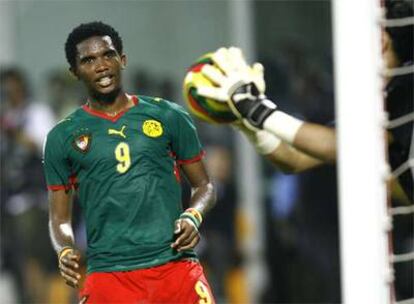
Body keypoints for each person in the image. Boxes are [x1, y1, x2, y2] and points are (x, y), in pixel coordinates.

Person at [43, 21, 216, 303]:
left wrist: (193, 215)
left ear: (122, 60)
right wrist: (64, 248)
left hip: (175, 268)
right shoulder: (62, 137)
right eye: (88, 60)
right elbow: (59, 218)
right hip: (110, 277)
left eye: (108, 55)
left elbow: (205, 186)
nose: (101, 65)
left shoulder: (169, 116)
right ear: (75, 72)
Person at [197, 0, 413, 201]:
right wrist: (246, 121)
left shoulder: (407, 88)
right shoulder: (378, 102)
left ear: (381, 41)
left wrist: (255, 109)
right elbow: (293, 158)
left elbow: (344, 146)